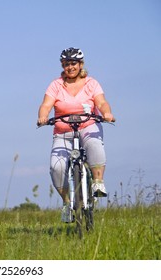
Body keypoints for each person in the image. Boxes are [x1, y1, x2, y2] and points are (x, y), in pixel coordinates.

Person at [37, 47, 114, 222]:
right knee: (57, 167)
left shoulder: (91, 83)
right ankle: (66, 204)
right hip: (63, 131)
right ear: (62, 65)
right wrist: (42, 116)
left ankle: (97, 182)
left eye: (73, 63)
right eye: (66, 64)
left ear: (80, 64)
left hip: (87, 126)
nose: (70, 67)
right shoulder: (56, 85)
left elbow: (101, 102)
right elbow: (46, 105)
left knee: (94, 144)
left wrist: (107, 113)